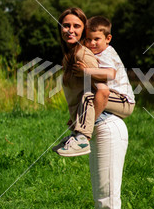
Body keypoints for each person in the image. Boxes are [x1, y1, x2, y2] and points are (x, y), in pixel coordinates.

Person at [56, 8, 130, 209]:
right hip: (101, 122)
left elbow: (101, 91)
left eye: (77, 26)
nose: (71, 30)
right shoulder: (74, 54)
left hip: (107, 124)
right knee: (103, 194)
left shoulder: (85, 55)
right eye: (66, 25)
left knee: (107, 195)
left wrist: (82, 131)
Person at [57, 15, 135, 156]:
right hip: (114, 97)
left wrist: (85, 71)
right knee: (86, 97)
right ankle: (77, 134)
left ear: (108, 38)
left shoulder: (106, 53)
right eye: (88, 39)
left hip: (124, 100)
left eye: (96, 39)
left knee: (88, 97)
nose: (92, 43)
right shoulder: (95, 52)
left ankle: (82, 138)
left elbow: (110, 74)